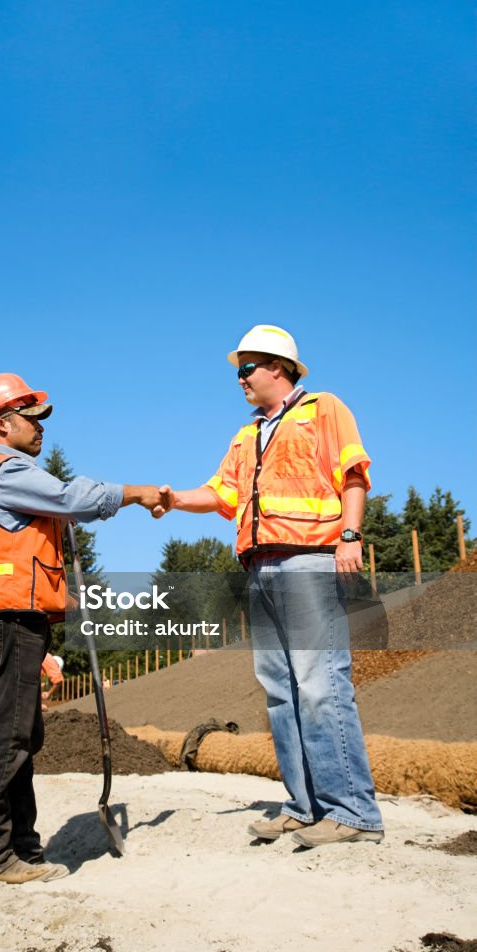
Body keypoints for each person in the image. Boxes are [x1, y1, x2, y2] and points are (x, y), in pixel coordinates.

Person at [154, 325, 384, 847]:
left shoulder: (323, 409)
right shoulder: (247, 434)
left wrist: (350, 537)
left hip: (309, 561)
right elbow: (219, 493)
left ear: (277, 368)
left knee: (321, 685)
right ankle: (303, 807)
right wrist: (172, 498)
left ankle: (353, 812)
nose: (239, 380)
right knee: (281, 693)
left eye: (246, 369)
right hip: (260, 568)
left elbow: (353, 474)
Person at [0, 372, 161, 883]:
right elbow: (73, 498)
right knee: (6, 738)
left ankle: (20, 844)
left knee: (21, 734)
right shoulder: (8, 469)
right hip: (3, 622)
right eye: (33, 418)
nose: (43, 428)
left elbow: (36, 544)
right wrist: (136, 493)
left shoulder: (4, 473)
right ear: (3, 424)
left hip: (14, 622)